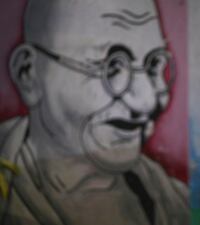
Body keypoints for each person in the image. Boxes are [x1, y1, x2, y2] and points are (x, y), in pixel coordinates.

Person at [0, 0, 188, 224]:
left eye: (153, 65)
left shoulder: (173, 202)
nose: (147, 101)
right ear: (28, 74)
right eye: (112, 67)